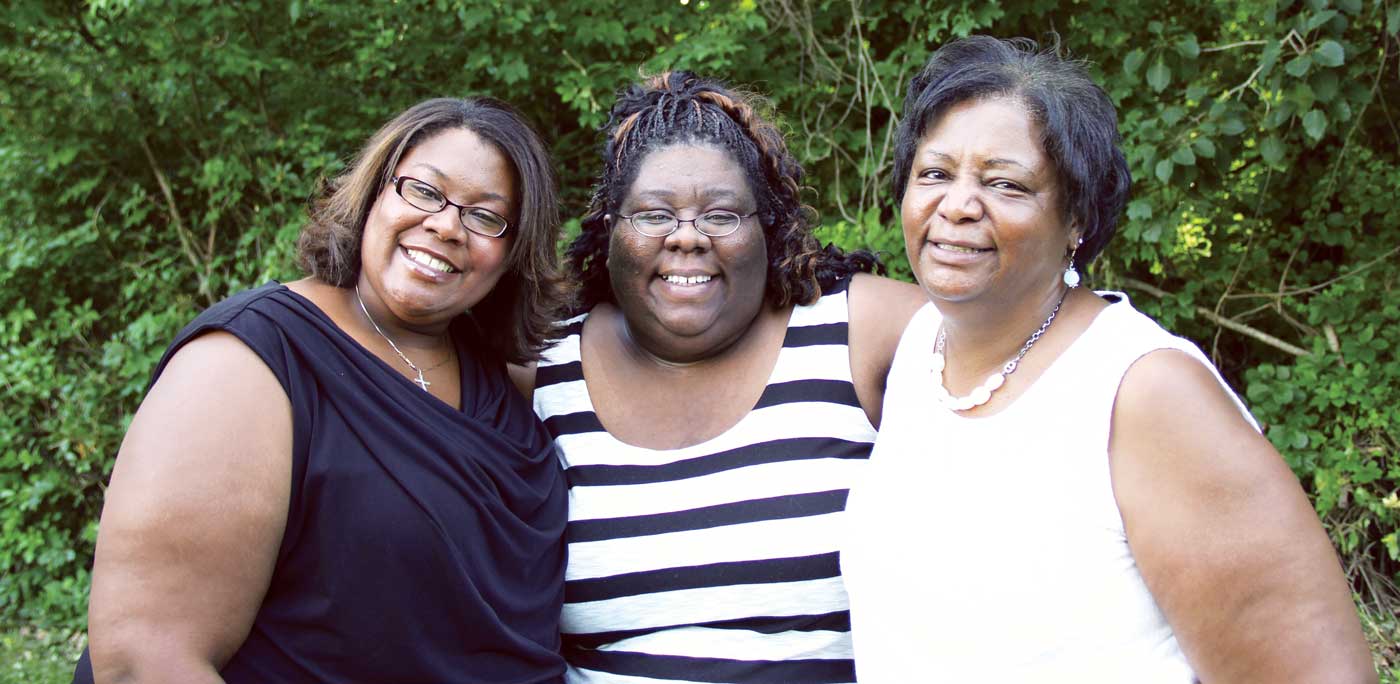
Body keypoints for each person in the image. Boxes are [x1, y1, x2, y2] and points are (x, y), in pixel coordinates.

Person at [839, 36, 1376, 682]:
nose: (956, 205)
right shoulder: (919, 352)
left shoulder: (1143, 391)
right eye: (934, 174)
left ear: (1077, 222)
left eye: (1005, 184)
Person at [78, 98, 570, 683]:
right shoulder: (248, 362)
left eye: (487, 217)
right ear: (373, 195)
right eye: (423, 191)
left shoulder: (501, 376)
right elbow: (144, 659)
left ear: (515, 252)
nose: (445, 225)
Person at [509, 72, 926, 683]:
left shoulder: (862, 333)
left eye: (722, 215)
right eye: (654, 214)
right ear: (609, 230)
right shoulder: (540, 371)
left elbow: (1033, 349)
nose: (687, 237)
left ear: (769, 229)